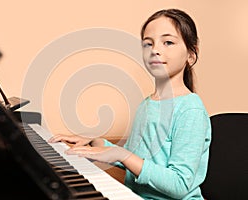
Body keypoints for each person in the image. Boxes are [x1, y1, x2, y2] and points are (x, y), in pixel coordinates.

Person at [49, 8, 211, 200]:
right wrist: (95, 141)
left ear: (191, 54)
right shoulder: (147, 104)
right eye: (148, 44)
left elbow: (180, 184)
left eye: (168, 42)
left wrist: (120, 155)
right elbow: (136, 159)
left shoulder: (190, 110)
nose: (155, 50)